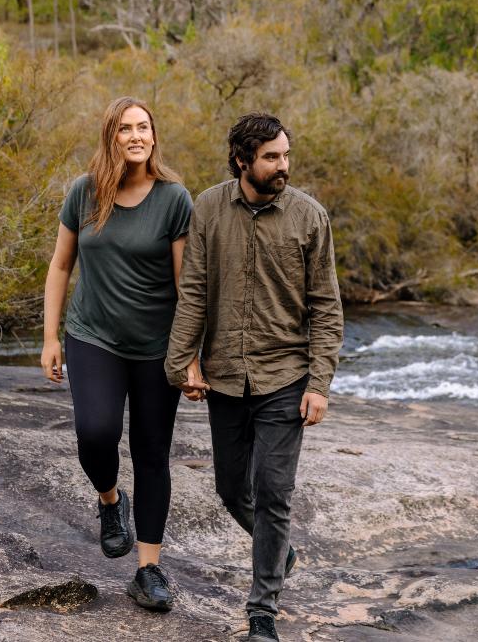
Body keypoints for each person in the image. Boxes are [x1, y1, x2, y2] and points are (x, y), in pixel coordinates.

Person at [165, 112, 343, 642]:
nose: (282, 165)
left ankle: (262, 610)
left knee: (273, 492)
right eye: (271, 158)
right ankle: (279, 551)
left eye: (285, 155)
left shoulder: (310, 217)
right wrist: (181, 363)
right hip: (224, 376)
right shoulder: (207, 208)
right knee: (230, 489)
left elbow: (326, 308)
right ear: (242, 160)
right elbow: (193, 291)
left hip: (285, 376)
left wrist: (319, 384)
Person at [40, 96, 193, 612]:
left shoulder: (174, 199)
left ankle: (148, 570)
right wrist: (50, 337)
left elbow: (185, 285)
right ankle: (110, 500)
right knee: (95, 432)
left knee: (152, 453)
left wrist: (190, 353)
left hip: (156, 346)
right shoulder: (84, 193)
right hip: (93, 336)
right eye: (125, 128)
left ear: (154, 136)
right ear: (111, 136)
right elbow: (61, 265)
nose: (136, 136)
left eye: (143, 127)